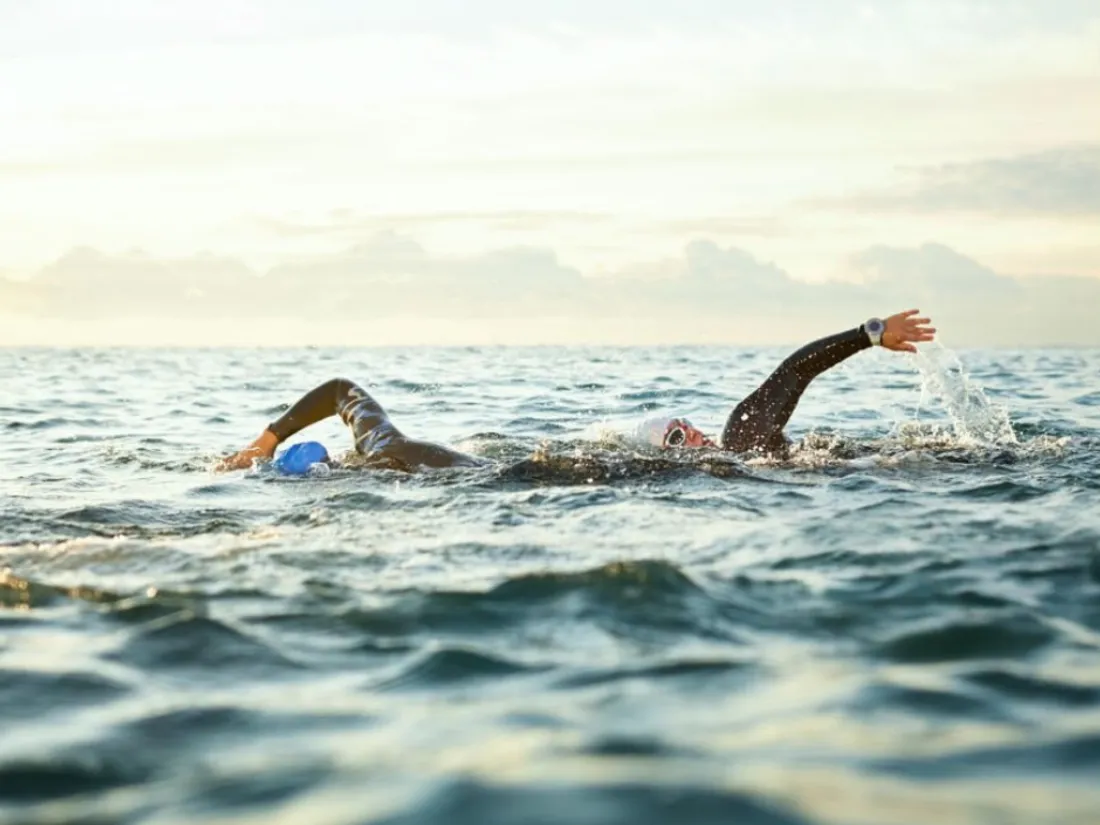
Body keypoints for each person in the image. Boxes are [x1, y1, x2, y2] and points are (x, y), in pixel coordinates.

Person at [216, 309, 935, 473]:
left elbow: (793, 371)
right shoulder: (391, 454)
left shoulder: (743, 441)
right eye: (682, 435)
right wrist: (869, 331)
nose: (697, 438)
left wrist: (871, 331)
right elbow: (795, 371)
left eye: (685, 432)